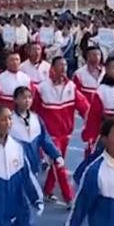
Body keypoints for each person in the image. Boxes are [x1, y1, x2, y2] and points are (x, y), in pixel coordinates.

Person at [9, 85, 64, 226]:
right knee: (25, 201)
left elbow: (45, 140)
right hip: (15, 168)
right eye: (23, 97)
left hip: (33, 166)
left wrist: (56, 155)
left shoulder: (35, 119)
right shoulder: (9, 120)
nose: (27, 100)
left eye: (29, 97)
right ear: (15, 100)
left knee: (22, 200)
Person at [34, 55, 87, 206]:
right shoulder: (42, 88)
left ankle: (47, 190)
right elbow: (33, 109)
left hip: (66, 133)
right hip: (50, 135)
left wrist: (93, 122)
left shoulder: (71, 87)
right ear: (52, 68)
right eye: (60, 65)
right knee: (59, 164)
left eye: (65, 65)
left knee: (57, 162)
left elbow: (84, 107)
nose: (63, 68)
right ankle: (69, 197)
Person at [82, 57, 114, 156]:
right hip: (107, 133)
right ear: (107, 70)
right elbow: (94, 115)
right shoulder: (102, 90)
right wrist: (90, 135)